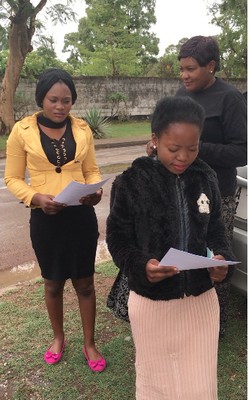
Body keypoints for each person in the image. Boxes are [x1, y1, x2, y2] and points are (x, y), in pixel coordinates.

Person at [107, 96, 234, 400]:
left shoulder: (206, 177)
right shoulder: (131, 182)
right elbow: (117, 239)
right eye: (174, 149)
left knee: (200, 388)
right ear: (155, 139)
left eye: (192, 148)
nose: (183, 157)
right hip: (152, 304)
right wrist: (140, 267)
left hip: (200, 303)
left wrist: (220, 261)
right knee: (156, 386)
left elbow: (216, 229)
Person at [4, 68, 106, 372]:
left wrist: (96, 190)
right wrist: (36, 198)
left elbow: (92, 170)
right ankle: (58, 338)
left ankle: (90, 343)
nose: (60, 106)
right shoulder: (21, 132)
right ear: (41, 99)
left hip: (80, 217)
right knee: (53, 284)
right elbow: (11, 178)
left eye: (67, 100)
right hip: (45, 220)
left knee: (85, 284)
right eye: (53, 100)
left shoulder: (83, 130)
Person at [147, 36, 247, 337]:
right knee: (183, 253)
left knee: (215, 259)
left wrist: (195, 148)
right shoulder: (182, 95)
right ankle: (185, 317)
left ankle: (215, 325)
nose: (184, 75)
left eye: (190, 69)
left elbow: (241, 151)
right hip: (182, 188)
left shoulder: (229, 98)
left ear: (211, 66)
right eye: (181, 69)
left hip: (217, 193)